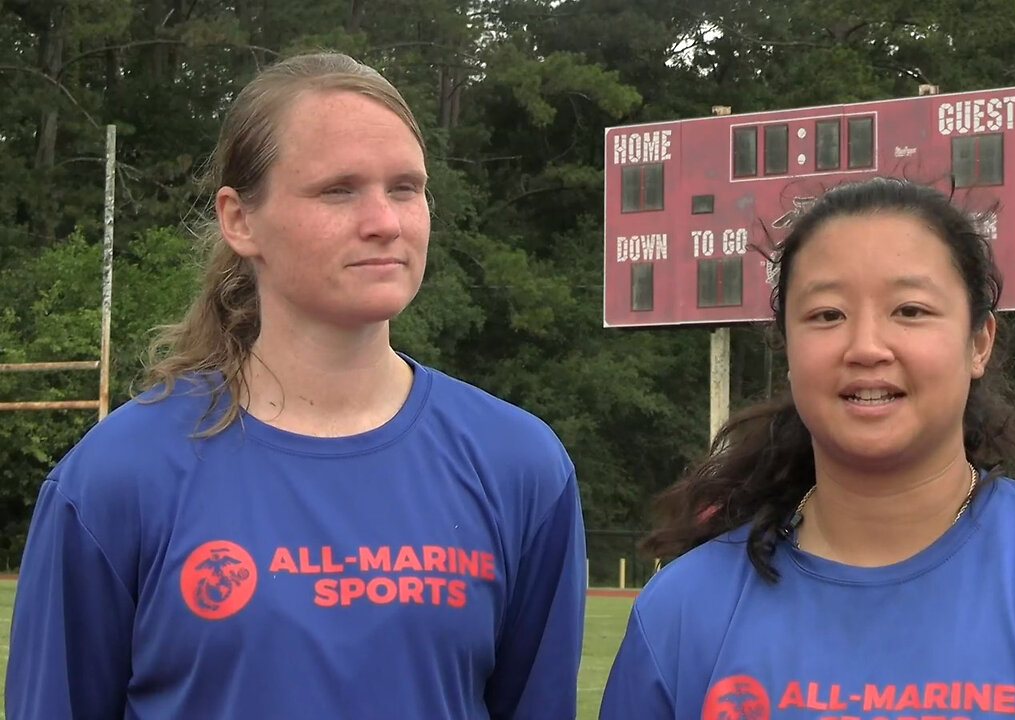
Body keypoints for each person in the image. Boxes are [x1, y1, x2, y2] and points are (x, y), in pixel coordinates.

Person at [6, 52, 586, 719]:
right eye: (339, 190)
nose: (385, 222)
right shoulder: (116, 478)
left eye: (405, 187)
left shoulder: (520, 466)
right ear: (239, 219)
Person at [599, 178, 1015, 719]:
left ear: (979, 343)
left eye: (910, 310)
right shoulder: (684, 614)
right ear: (788, 351)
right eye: (826, 315)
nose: (866, 346)